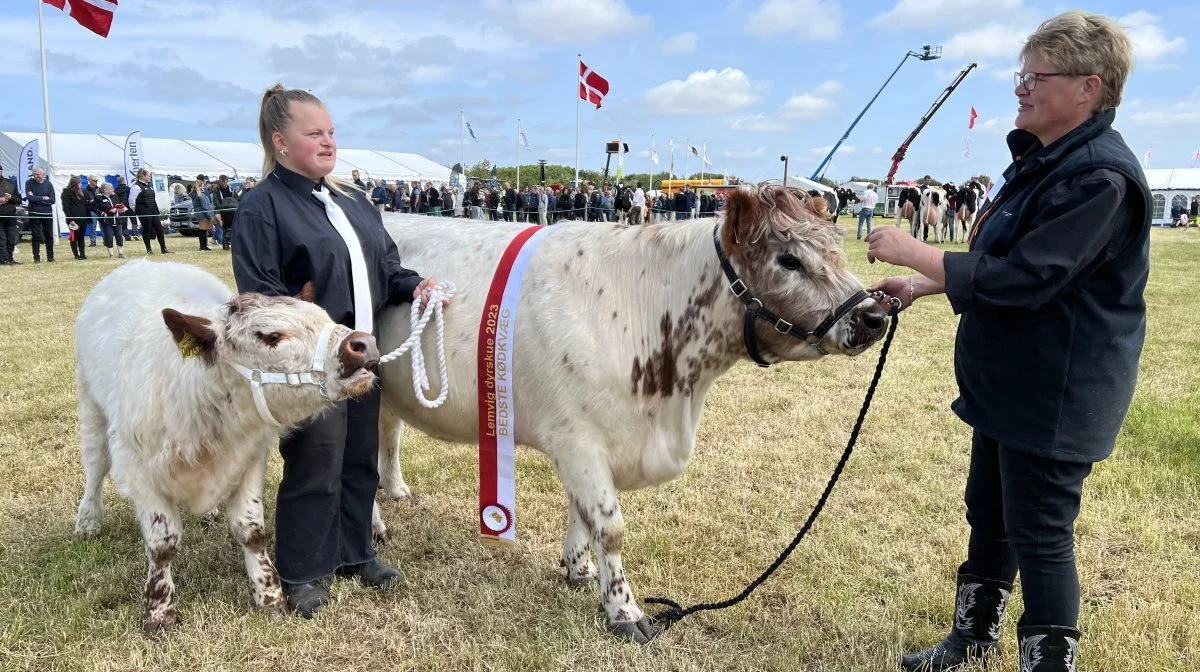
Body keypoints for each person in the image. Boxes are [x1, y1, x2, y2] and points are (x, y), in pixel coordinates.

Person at [865, 11, 1149, 672]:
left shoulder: (1098, 178)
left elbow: (1027, 280)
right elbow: (1006, 263)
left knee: (1041, 533)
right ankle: (971, 640)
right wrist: (923, 284)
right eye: (1022, 74)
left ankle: (1047, 663)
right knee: (989, 515)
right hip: (1009, 384)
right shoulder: (1045, 161)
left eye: (1036, 76)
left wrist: (916, 249)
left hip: (1055, 392)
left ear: (1089, 87)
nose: (1021, 88)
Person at [233, 83, 449, 619]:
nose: (329, 142)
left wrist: (416, 286)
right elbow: (260, 296)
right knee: (316, 461)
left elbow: (386, 269)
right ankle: (305, 570)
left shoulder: (354, 201)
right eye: (315, 133)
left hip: (362, 355)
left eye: (331, 131)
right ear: (280, 143)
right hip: (309, 367)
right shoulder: (262, 207)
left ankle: (356, 552)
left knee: (359, 457)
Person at [25, 167, 56, 263]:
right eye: (34, 174)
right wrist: (43, 198)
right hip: (34, 213)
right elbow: (30, 198)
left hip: (47, 213)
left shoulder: (49, 184)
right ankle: (36, 258)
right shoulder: (29, 183)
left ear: (43, 174)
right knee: (36, 236)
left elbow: (52, 200)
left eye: (38, 174)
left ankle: (50, 257)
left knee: (49, 235)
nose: (36, 176)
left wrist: (37, 198)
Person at [0, 165, 20, 265]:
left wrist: (11, 197)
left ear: (1, 171)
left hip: (11, 215)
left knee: (12, 239)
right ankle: (3, 260)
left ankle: (10, 258)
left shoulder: (10, 183)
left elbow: (18, 199)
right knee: (2, 240)